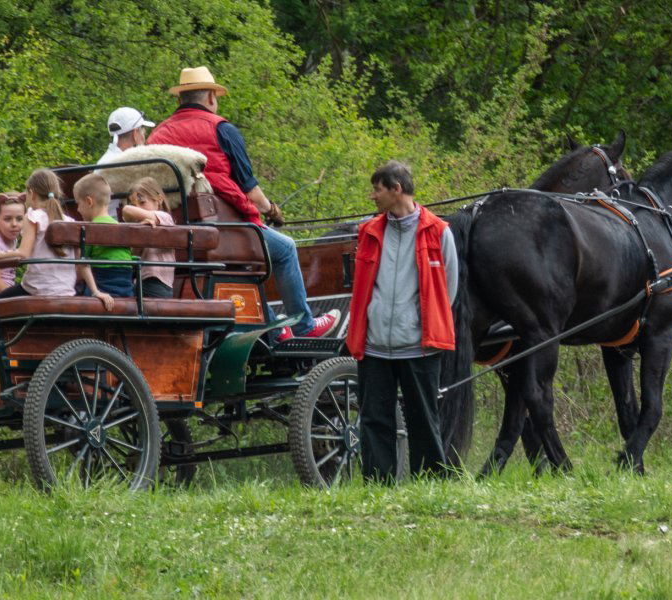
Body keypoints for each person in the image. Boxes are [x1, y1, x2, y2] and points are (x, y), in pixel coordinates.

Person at [148, 65, 338, 340]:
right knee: (285, 248)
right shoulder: (221, 129)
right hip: (222, 231)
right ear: (211, 97)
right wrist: (272, 210)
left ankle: (274, 329)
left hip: (178, 236)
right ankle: (304, 327)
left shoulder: (158, 136)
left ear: (180, 100)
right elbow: (250, 190)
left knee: (246, 266)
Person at [345, 161, 458, 480]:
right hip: (375, 346)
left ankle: (431, 482)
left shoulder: (439, 231)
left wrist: (420, 322)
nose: (372, 196)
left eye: (377, 189)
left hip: (419, 346)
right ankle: (378, 484)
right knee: (374, 420)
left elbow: (448, 288)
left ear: (397, 189)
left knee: (423, 419)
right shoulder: (368, 232)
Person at [0, 169, 115, 309]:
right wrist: (96, 292)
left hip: (36, 289)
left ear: (31, 194)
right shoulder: (70, 222)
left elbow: (23, 254)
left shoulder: (33, 217)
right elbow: (82, 263)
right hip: (66, 292)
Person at [71, 172, 135, 297]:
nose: (78, 209)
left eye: (78, 203)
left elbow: (81, 267)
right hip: (126, 289)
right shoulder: (121, 227)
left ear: (89, 202)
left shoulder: (89, 229)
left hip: (104, 285)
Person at [122, 176, 176, 298]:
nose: (138, 208)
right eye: (134, 205)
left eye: (142, 202)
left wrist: (128, 209)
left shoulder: (164, 217)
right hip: (142, 281)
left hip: (158, 283)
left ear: (159, 199)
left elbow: (127, 210)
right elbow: (135, 254)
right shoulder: (140, 225)